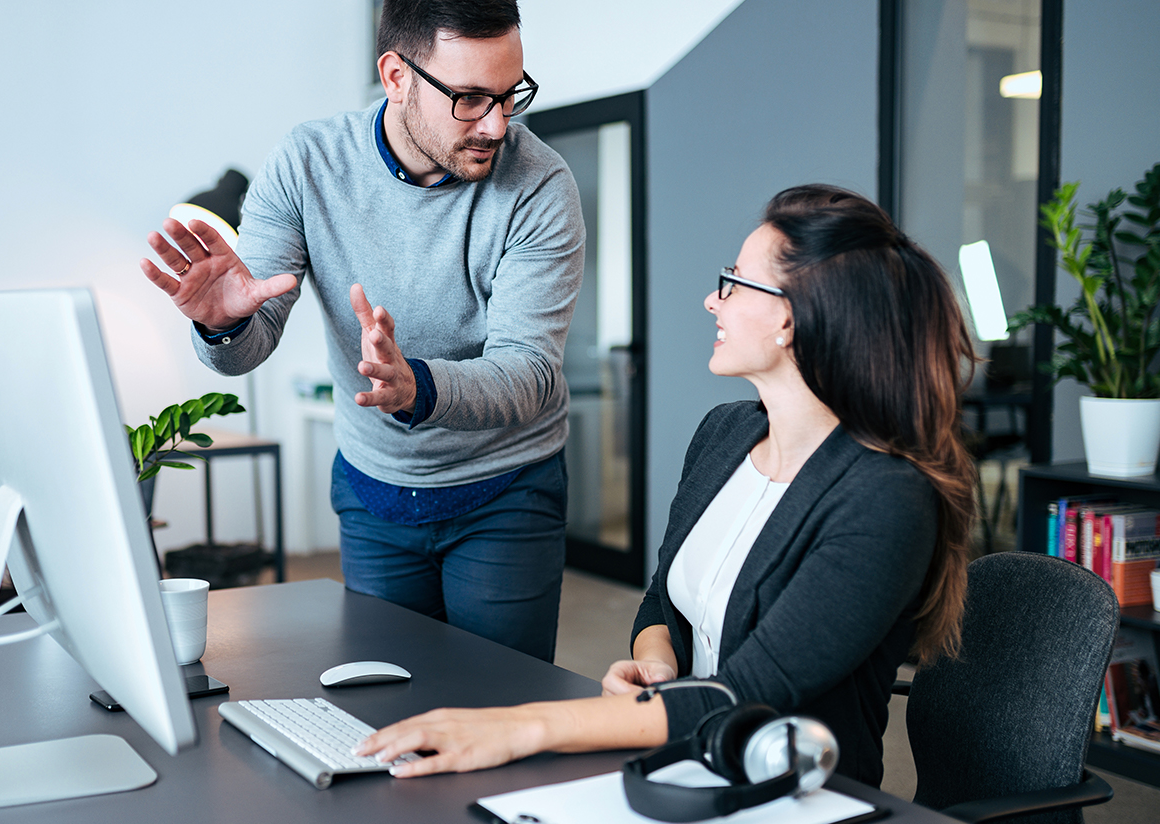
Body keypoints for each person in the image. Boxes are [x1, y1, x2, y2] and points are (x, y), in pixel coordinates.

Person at [357, 185, 976, 787]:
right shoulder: (726, 434)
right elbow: (663, 598)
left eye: (734, 282)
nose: (714, 300)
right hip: (683, 761)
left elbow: (750, 692)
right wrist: (659, 661)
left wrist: (520, 728)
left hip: (791, 793)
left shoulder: (886, 498)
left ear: (790, 318)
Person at [138, 0, 584, 662]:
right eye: (468, 98)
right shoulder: (307, 164)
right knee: (389, 705)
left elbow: (533, 373)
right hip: (375, 493)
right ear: (396, 76)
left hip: (505, 491)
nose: (496, 123)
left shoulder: (540, 186)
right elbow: (246, 348)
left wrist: (417, 387)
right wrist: (224, 324)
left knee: (499, 707)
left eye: (509, 94)